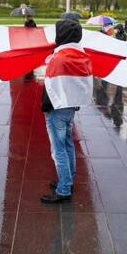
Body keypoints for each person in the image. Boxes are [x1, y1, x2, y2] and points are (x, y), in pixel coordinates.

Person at [40, 19, 92, 204]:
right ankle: (68, 181)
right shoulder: (81, 55)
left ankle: (64, 189)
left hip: (57, 109)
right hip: (70, 108)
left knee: (59, 149)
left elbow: (50, 86)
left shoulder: (59, 58)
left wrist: (46, 108)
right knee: (68, 144)